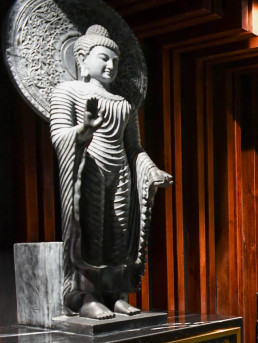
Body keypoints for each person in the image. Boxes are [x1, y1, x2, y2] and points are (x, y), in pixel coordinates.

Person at [50, 25, 172, 320]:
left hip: (121, 171)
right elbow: (58, 135)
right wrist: (85, 129)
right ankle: (88, 296)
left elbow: (134, 148)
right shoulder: (68, 91)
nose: (110, 66)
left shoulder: (125, 104)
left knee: (119, 235)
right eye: (104, 58)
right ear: (82, 59)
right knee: (92, 234)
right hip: (87, 166)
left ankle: (116, 295)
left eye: (115, 62)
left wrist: (152, 170)